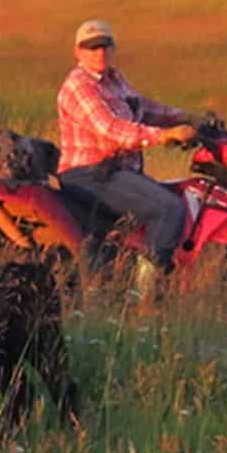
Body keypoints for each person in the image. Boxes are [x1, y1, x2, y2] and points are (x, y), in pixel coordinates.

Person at [56, 19, 196, 273]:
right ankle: (145, 297)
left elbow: (143, 107)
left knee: (183, 196)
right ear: (77, 52)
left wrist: (186, 117)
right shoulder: (79, 86)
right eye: (91, 47)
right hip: (90, 174)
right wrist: (164, 135)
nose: (99, 52)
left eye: (105, 45)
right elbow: (110, 130)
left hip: (115, 171)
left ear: (113, 48)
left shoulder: (113, 78)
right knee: (168, 209)